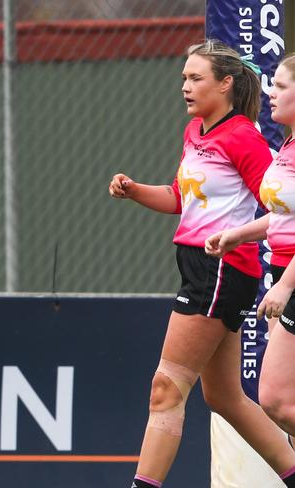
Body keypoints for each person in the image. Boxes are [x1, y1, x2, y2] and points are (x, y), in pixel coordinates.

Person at [108, 39, 295, 487]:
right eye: (183, 79)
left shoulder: (244, 137)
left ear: (226, 83)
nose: (185, 88)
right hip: (198, 265)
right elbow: (178, 198)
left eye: (196, 78)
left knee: (166, 389)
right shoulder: (196, 132)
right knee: (227, 398)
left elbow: (280, 204)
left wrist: (273, 270)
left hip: (221, 272)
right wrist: (135, 189)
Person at [205, 53, 295, 453]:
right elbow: (283, 217)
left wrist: (284, 287)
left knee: (275, 399)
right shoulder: (289, 143)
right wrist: (240, 233)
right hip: (280, 272)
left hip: (290, 278)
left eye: (281, 85)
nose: (270, 93)